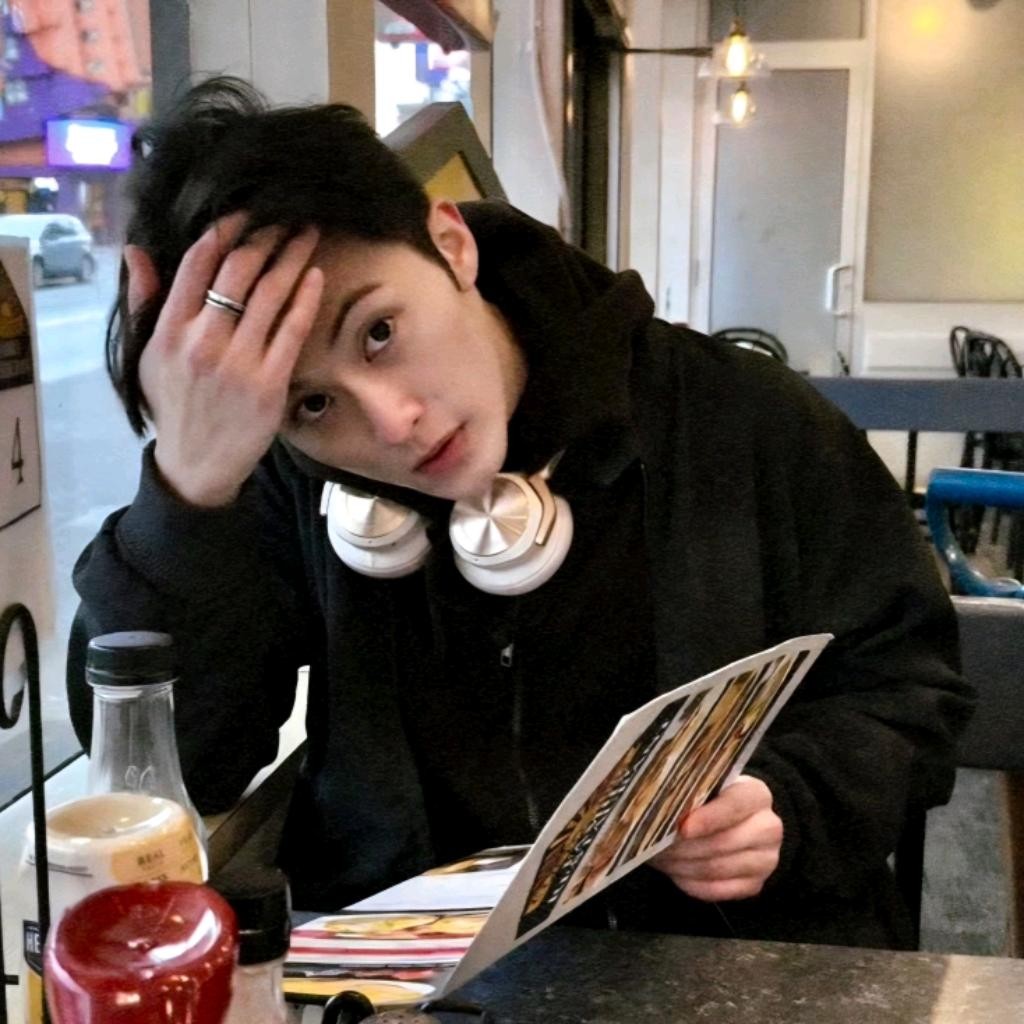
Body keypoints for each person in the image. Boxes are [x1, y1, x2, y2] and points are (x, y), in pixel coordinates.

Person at [67, 78, 972, 949]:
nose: (389, 422)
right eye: (310, 403)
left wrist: (788, 804)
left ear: (450, 244)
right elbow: (183, 770)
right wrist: (187, 490)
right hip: (403, 979)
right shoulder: (287, 482)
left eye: (378, 332)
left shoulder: (743, 418)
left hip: (731, 967)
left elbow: (911, 691)